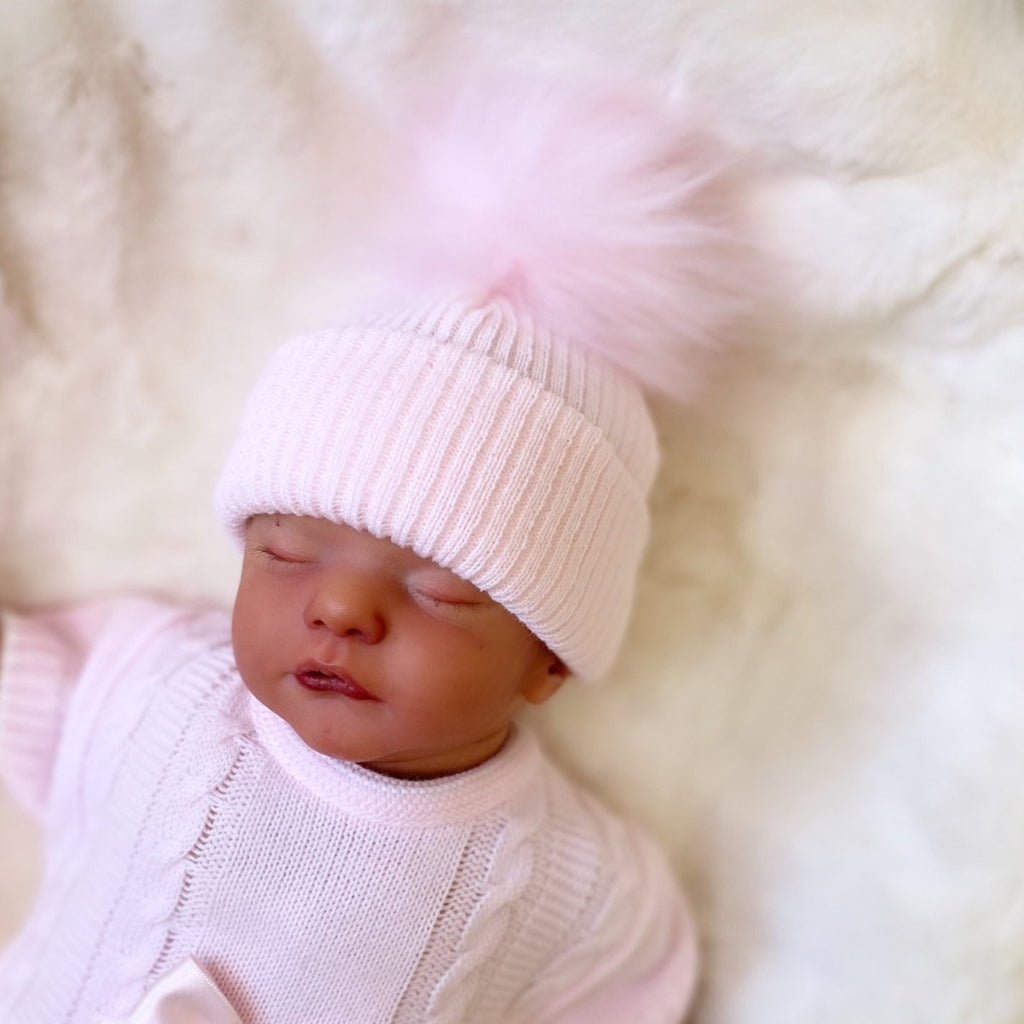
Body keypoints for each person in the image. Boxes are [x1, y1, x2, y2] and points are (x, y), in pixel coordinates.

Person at [0, 58, 744, 1024]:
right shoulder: (157, 685)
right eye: (288, 551)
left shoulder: (570, 881)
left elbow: (638, 975)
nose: (341, 606)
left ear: (548, 658)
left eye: (439, 590)